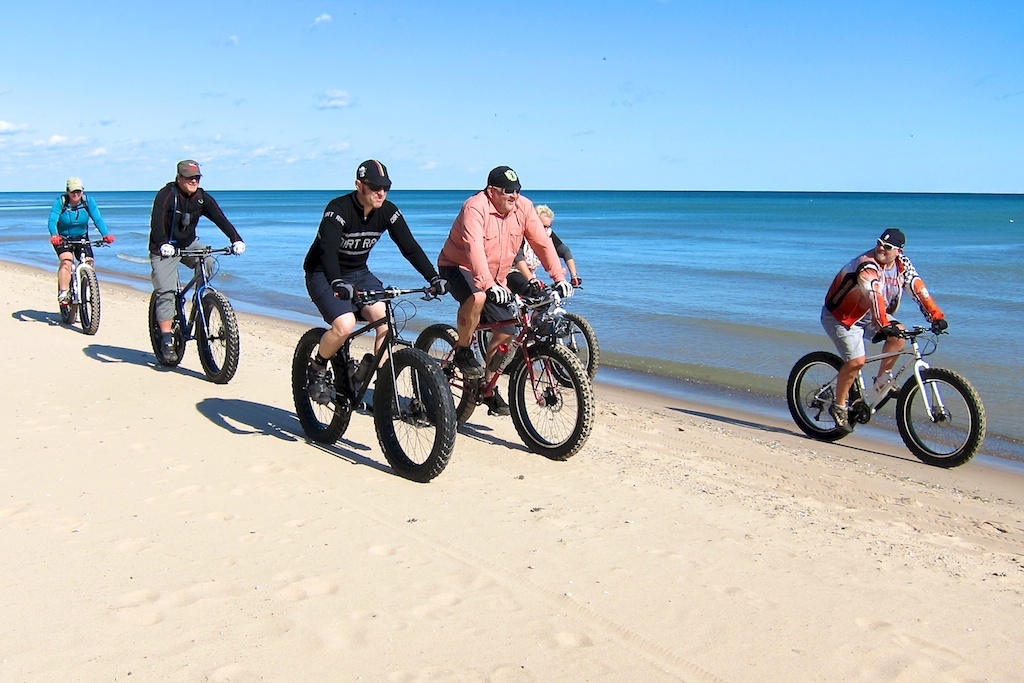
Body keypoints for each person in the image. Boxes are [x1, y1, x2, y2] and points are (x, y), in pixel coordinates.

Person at [302, 160, 447, 403]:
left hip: (359, 273)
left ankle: (380, 387)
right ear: (359, 185)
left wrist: (433, 277)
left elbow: (409, 247)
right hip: (323, 274)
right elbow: (327, 250)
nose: (381, 193)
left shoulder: (388, 211)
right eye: (374, 187)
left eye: (386, 188)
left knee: (383, 319)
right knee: (345, 324)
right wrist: (336, 281)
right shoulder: (338, 210)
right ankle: (317, 367)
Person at [437, 165, 573, 416]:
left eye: (517, 190)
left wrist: (559, 277)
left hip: (496, 274)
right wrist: (488, 286)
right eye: (507, 191)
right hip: (458, 265)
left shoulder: (523, 207)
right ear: (492, 191)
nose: (514, 196)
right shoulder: (475, 207)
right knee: (476, 297)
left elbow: (542, 243)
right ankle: (463, 351)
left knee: (507, 329)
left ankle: (487, 387)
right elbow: (475, 249)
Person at [820, 228, 948, 432]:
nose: (881, 248)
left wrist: (936, 316)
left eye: (888, 247)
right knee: (856, 362)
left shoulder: (902, 265)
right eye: (879, 243)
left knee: (900, 336)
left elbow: (917, 287)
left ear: (899, 251)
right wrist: (883, 324)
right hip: (843, 317)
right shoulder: (867, 265)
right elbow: (874, 294)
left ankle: (881, 380)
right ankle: (839, 406)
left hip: (869, 314)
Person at [149, 160, 245, 363]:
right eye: (189, 178)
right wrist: (163, 243)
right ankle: (166, 339)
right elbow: (156, 222)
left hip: (189, 244)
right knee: (166, 291)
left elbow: (220, 218)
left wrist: (235, 238)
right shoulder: (167, 195)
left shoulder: (201, 198)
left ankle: (202, 302)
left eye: (197, 178)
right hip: (164, 247)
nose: (193, 181)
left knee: (208, 261)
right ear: (179, 178)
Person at [47, 177, 115, 303]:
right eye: (73, 191)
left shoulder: (87, 201)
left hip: (82, 237)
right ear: (67, 191)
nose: (76, 194)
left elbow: (98, 219)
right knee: (67, 261)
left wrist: (105, 234)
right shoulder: (60, 202)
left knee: (89, 262)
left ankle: (87, 287)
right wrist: (55, 235)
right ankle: (63, 292)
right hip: (63, 238)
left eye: (79, 191)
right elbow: (52, 221)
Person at [507, 204, 581, 295]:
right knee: (535, 294)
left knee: (545, 299)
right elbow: (518, 258)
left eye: (548, 226)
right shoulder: (522, 234)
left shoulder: (547, 234)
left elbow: (565, 251)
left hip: (530, 275)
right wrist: (531, 279)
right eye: (543, 226)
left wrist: (574, 275)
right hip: (512, 272)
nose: (545, 230)